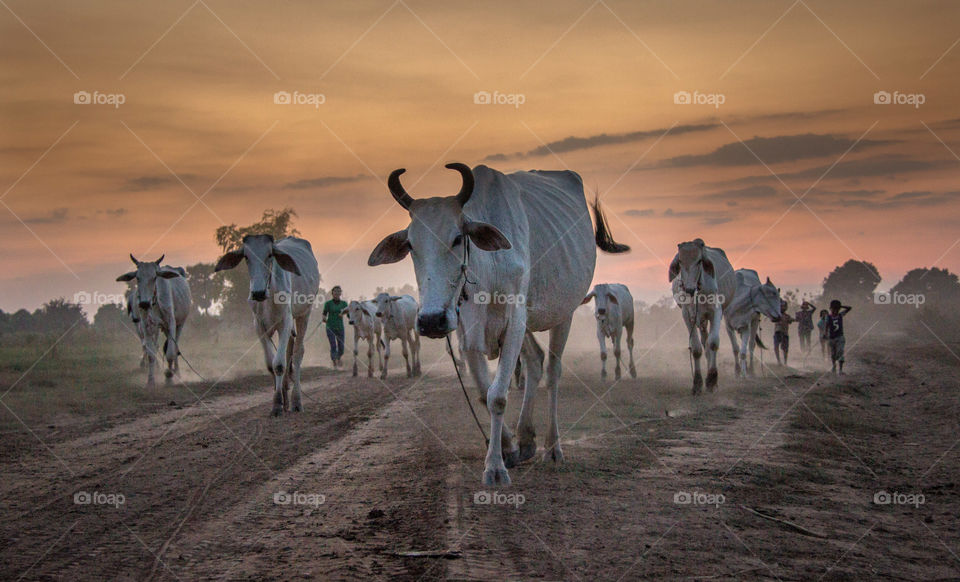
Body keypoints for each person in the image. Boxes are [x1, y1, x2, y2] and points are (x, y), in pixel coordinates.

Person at [322, 286, 348, 368]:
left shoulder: (344, 303)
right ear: (332, 293)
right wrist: (324, 318)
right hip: (330, 326)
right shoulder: (328, 304)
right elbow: (324, 313)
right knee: (333, 345)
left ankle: (339, 357)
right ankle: (334, 362)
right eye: (335, 291)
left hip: (340, 327)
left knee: (341, 347)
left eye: (339, 291)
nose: (337, 293)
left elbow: (348, 312)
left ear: (341, 293)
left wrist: (342, 313)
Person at [825, 299, 852, 374]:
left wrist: (841, 306)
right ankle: (834, 366)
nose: (835, 311)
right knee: (833, 354)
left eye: (837, 309)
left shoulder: (840, 315)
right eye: (833, 309)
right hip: (832, 338)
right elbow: (827, 326)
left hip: (840, 337)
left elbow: (849, 308)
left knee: (840, 352)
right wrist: (825, 334)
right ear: (831, 309)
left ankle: (840, 369)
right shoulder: (828, 317)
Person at [773, 299, 794, 366]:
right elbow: (773, 320)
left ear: (786, 308)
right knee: (776, 347)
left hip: (785, 333)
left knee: (785, 349)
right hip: (777, 332)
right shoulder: (776, 315)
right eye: (781, 306)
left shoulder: (787, 316)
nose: (783, 308)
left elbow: (790, 321)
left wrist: (792, 320)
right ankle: (778, 361)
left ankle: (785, 362)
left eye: (784, 306)